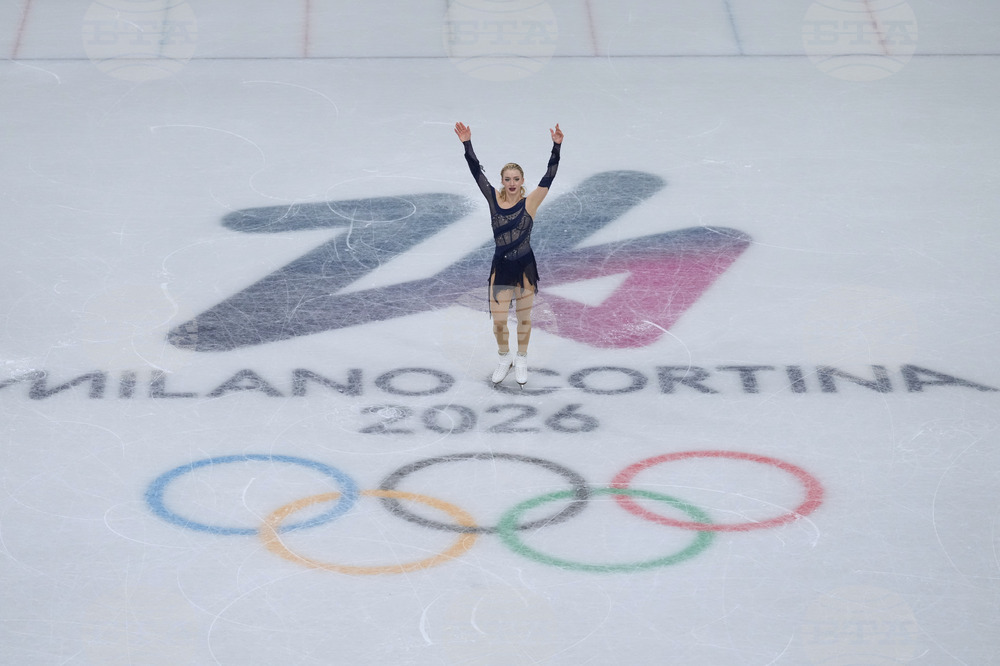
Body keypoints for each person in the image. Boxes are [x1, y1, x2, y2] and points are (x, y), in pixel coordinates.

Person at [454, 121, 563, 386]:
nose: (512, 183)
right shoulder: (493, 199)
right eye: (507, 179)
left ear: (522, 181)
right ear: (502, 181)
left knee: (524, 319)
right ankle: (505, 357)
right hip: (500, 268)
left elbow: (549, 176)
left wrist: (556, 146)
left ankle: (522, 358)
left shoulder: (532, 201)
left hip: (524, 267)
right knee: (499, 322)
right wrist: (467, 143)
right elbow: (475, 172)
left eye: (516, 179)